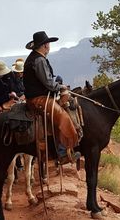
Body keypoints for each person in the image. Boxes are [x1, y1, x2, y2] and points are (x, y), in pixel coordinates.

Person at [23, 31, 80, 165]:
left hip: (39, 96)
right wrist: (60, 87)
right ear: (45, 45)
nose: (49, 46)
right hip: (38, 99)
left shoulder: (36, 58)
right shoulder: (38, 60)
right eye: (48, 43)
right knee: (63, 117)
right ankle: (62, 153)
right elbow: (48, 82)